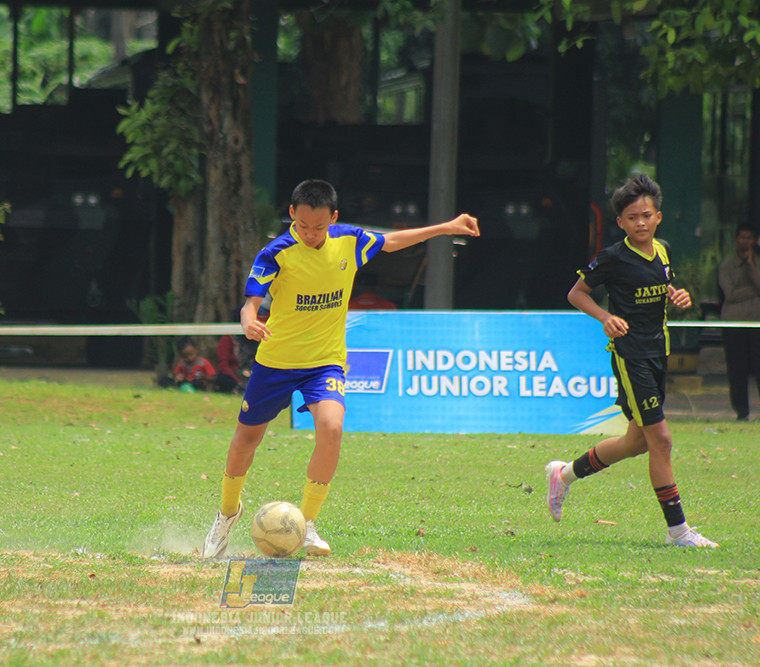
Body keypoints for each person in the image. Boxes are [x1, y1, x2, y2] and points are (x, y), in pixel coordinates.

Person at [201, 179, 479, 558]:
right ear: (292, 215)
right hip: (277, 361)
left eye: (319, 227)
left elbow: (392, 241)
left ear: (333, 218)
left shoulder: (349, 240)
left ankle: (307, 523)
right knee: (245, 440)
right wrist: (248, 321)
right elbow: (250, 303)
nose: (310, 234)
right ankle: (227, 513)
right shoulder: (276, 253)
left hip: (325, 362)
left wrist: (447, 227)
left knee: (331, 428)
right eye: (303, 225)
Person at [545, 173, 717, 547]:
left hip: (658, 352)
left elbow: (661, 287)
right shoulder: (612, 257)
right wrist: (605, 317)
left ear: (658, 217)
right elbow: (576, 294)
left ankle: (563, 475)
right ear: (621, 222)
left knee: (635, 443)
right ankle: (678, 532)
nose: (641, 222)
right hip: (631, 356)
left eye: (646, 215)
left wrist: (677, 296)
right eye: (632, 217)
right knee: (662, 441)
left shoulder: (663, 251)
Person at [717, 223, 760, 421]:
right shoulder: (726, 266)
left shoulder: (757, 263)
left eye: (749, 238)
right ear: (736, 240)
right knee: (737, 369)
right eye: (743, 238)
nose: (746, 242)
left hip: (756, 323)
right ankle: (741, 412)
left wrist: (752, 267)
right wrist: (754, 291)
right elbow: (731, 294)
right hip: (734, 323)